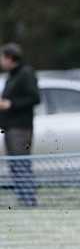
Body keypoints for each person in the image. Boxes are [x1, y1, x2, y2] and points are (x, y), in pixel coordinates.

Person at [0, 42, 40, 207]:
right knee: (16, 165)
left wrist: (11, 104)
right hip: (10, 128)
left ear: (10, 58)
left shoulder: (25, 73)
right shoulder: (13, 75)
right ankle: (24, 198)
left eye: (2, 57)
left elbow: (35, 98)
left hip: (21, 129)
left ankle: (29, 199)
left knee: (21, 164)